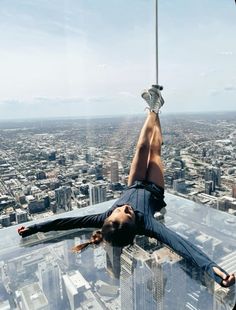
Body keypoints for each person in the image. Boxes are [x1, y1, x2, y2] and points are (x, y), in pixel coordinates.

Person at [18, 86, 235, 288]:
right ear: (135, 225)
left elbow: (65, 223)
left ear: (108, 219)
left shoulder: (103, 217)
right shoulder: (148, 224)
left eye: (119, 211)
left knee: (142, 147)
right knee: (155, 150)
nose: (124, 209)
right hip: (154, 190)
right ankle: (155, 109)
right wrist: (213, 269)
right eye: (129, 214)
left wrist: (35, 227)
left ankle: (153, 108)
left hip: (134, 182)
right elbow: (181, 245)